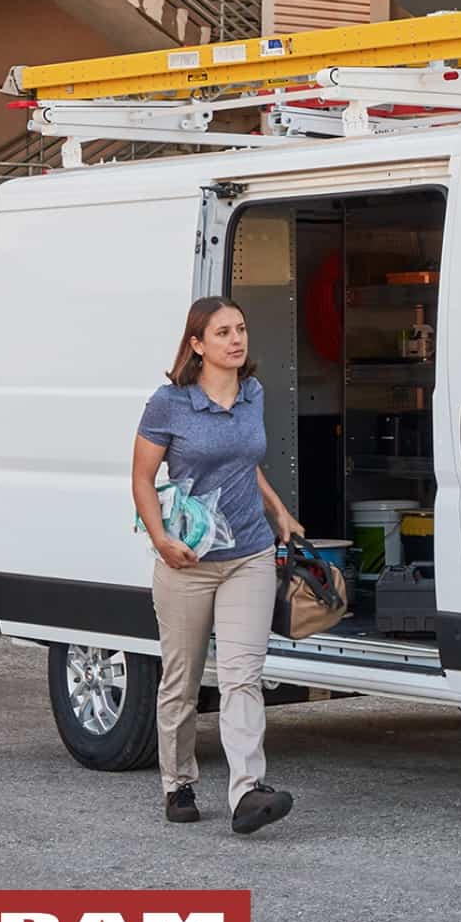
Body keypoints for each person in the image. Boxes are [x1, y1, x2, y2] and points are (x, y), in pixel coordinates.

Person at [130, 296, 306, 835]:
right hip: (187, 560)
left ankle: (247, 792)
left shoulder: (253, 394)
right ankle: (178, 781)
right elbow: (141, 478)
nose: (236, 339)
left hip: (248, 555)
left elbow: (245, 465)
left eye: (241, 329)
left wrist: (280, 512)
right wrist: (161, 540)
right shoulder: (169, 404)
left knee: (242, 678)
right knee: (181, 681)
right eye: (223, 332)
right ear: (197, 344)